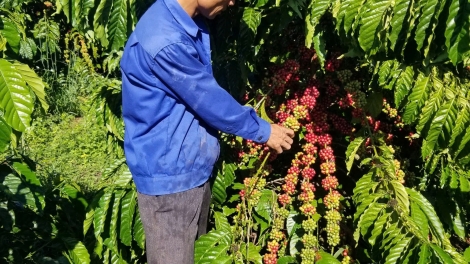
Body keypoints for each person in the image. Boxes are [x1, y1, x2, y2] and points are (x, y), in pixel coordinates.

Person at [120, 0, 294, 262]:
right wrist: (263, 131)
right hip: (172, 183)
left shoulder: (180, 21)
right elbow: (208, 100)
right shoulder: (166, 40)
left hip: (187, 173)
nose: (232, 2)